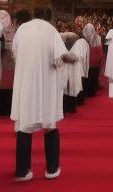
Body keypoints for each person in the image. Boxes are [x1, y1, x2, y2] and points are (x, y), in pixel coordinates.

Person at [11, 13, 76, 181]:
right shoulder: (51, 30)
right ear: (50, 17)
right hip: (46, 85)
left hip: (26, 83)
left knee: (24, 125)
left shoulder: (22, 29)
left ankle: (22, 171)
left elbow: (15, 54)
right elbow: (60, 56)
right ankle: (52, 169)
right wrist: (72, 59)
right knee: (49, 124)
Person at [82, 22, 103, 97]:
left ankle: (87, 91)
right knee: (93, 75)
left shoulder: (83, 37)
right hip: (95, 60)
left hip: (88, 59)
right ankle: (92, 90)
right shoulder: (98, 37)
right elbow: (100, 50)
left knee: (88, 75)